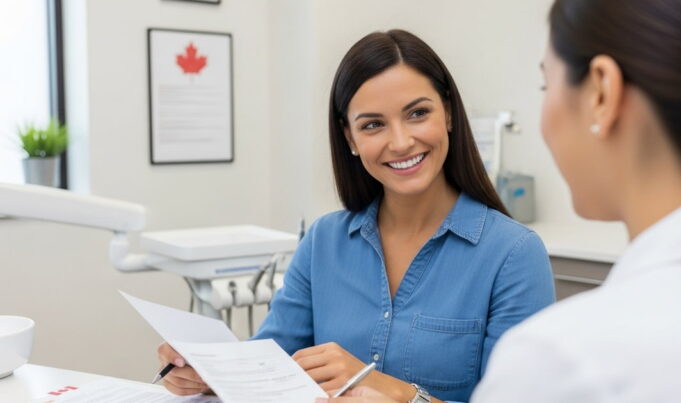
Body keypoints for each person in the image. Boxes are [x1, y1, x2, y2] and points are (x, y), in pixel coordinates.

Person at [323, 0, 681, 402]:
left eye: (544, 86)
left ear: (601, 93)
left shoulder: (560, 360)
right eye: (373, 125)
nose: (400, 141)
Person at [157, 29, 555, 403]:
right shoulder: (323, 241)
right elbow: (268, 365)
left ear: (448, 114)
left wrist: (391, 391)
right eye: (373, 125)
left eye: (417, 113)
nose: (400, 142)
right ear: (350, 138)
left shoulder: (514, 255)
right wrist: (209, 374)